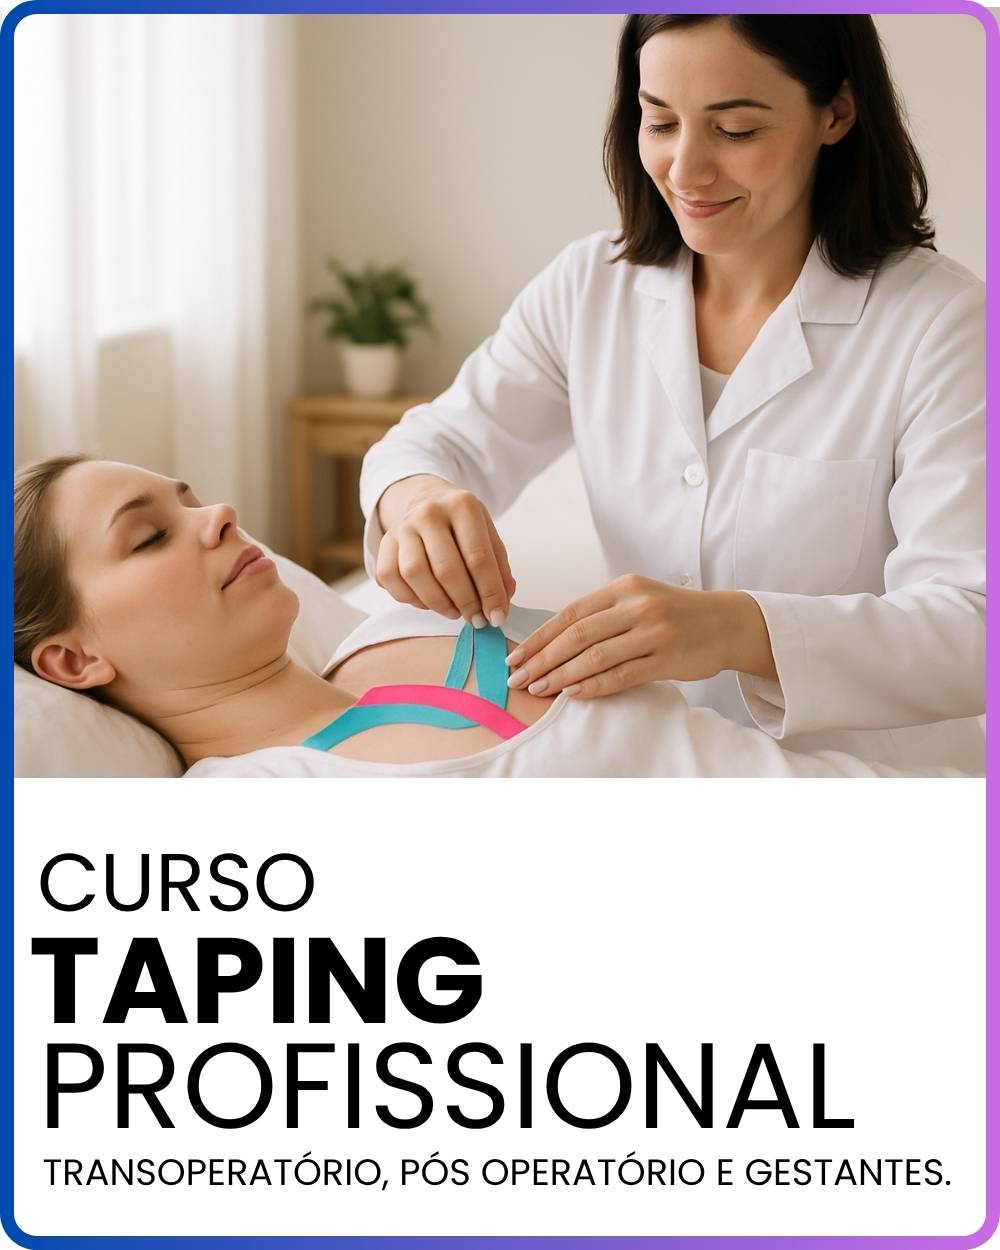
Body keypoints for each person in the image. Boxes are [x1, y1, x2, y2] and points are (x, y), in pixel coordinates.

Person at [358, 14, 985, 776]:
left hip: (860, 780)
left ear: (837, 113)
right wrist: (416, 499)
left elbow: (972, 625)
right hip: (653, 763)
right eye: (659, 122)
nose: (685, 171)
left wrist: (736, 629)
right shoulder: (589, 287)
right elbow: (431, 445)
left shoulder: (942, 323)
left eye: (736, 131)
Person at [12, 456, 964, 778]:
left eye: (188, 498)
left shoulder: (399, 621)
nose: (217, 514)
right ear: (71, 662)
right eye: (149, 537)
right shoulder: (248, 821)